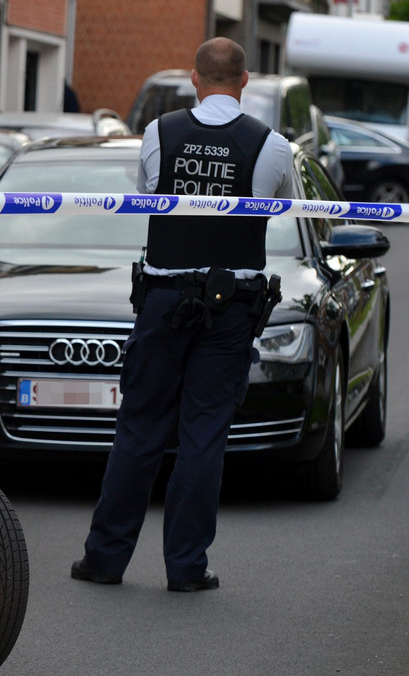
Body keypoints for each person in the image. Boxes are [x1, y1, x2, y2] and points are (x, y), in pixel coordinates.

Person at [71, 37, 295, 592]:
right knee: (203, 437)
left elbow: (150, 192)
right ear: (245, 82)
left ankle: (104, 560)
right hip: (232, 308)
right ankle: (187, 568)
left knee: (140, 428)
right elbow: (287, 203)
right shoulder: (271, 145)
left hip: (164, 301)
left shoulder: (160, 133)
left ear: (194, 78)